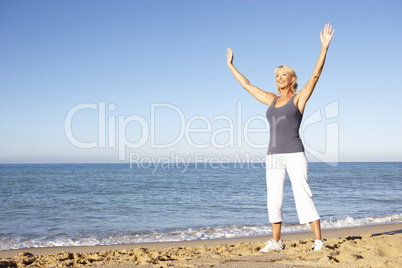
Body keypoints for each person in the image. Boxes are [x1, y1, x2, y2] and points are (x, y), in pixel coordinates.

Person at [226, 23, 335, 251]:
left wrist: (324, 47)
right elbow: (247, 86)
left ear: (292, 78)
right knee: (274, 198)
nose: (279, 78)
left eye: (283, 74)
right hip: (273, 155)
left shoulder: (299, 99)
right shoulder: (272, 99)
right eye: (277, 75)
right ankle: (276, 241)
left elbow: (315, 75)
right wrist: (231, 66)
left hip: (295, 153)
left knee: (303, 194)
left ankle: (318, 241)